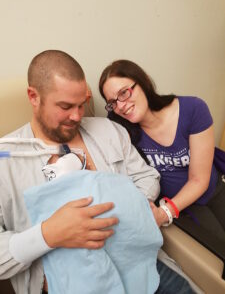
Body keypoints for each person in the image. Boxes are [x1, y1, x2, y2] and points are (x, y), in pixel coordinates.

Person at [0, 50, 195, 294]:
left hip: (139, 264)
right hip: (70, 283)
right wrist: (48, 234)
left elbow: (147, 176)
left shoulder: (109, 131)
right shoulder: (6, 159)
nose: (77, 116)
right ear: (33, 97)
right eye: (65, 106)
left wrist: (130, 207)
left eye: (82, 104)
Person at [99, 59, 225, 240]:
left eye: (124, 93)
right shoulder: (121, 129)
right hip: (185, 207)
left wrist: (165, 212)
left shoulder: (194, 109)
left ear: (144, 82)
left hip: (213, 190)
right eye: (112, 102)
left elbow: (199, 179)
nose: (121, 106)